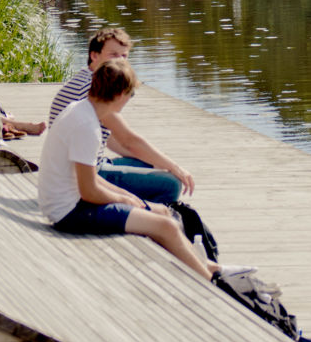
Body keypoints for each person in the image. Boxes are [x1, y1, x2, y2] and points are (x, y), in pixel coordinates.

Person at [37, 60, 215, 279]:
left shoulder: (81, 110)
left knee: (163, 211)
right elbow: (89, 191)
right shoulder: (87, 127)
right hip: (69, 213)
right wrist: (124, 201)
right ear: (121, 94)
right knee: (166, 226)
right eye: (131, 95)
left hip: (68, 204)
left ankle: (204, 265)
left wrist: (128, 196)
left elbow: (90, 179)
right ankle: (209, 281)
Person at [47, 27, 194, 204]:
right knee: (171, 184)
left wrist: (151, 159)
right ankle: (143, 216)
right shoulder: (92, 89)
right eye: (114, 55)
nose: (121, 61)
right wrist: (175, 167)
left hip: (84, 163)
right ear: (94, 56)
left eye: (124, 56)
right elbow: (129, 140)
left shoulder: (87, 79)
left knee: (152, 164)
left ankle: (139, 208)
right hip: (85, 171)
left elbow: (109, 139)